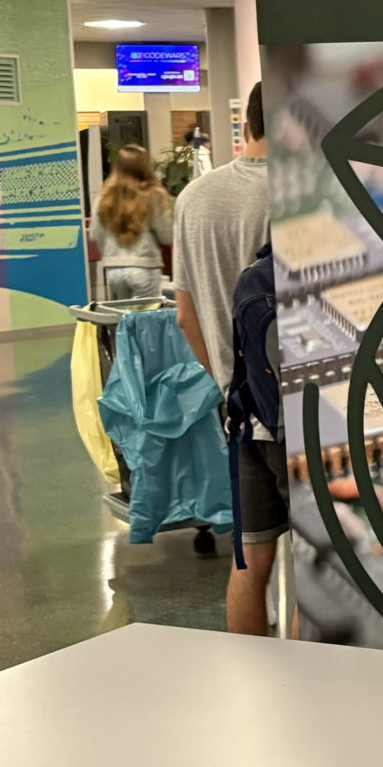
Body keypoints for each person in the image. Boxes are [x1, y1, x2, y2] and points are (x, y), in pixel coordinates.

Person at [172, 82, 275, 633]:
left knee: (249, 560)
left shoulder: (193, 198)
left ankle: (250, 676)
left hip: (238, 411)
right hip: (297, 414)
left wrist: (229, 386)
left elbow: (185, 316)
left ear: (248, 123)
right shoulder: (297, 193)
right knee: (320, 562)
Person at [88, 145, 173, 303]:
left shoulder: (104, 197)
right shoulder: (154, 195)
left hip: (114, 271)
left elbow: (94, 234)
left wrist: (111, 253)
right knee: (146, 316)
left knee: (124, 315)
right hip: (144, 267)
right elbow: (166, 235)